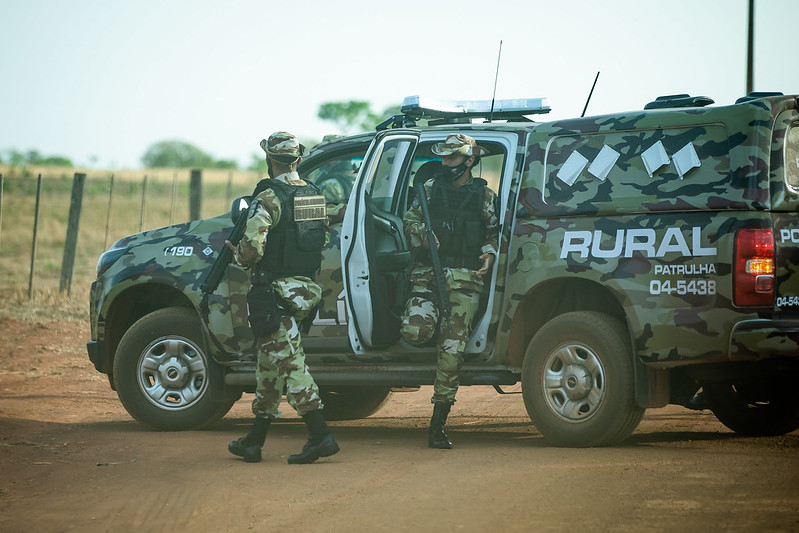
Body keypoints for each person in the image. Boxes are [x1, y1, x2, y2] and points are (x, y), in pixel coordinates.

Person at [227, 131, 339, 464]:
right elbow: (321, 239)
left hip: (273, 291)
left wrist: (238, 256)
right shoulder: (314, 196)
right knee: (270, 364)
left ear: (269, 160)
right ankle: (254, 440)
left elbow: (253, 248)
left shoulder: (269, 198)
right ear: (298, 160)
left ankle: (320, 435)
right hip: (304, 292)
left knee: (290, 362)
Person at [400, 134, 499, 449]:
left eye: (452, 159)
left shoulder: (485, 197)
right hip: (429, 275)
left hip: (465, 278)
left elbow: (494, 231)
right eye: (442, 158)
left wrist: (489, 251)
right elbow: (410, 219)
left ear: (469, 160)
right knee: (414, 330)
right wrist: (423, 235)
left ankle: (438, 423)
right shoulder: (429, 190)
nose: (445, 164)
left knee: (452, 350)